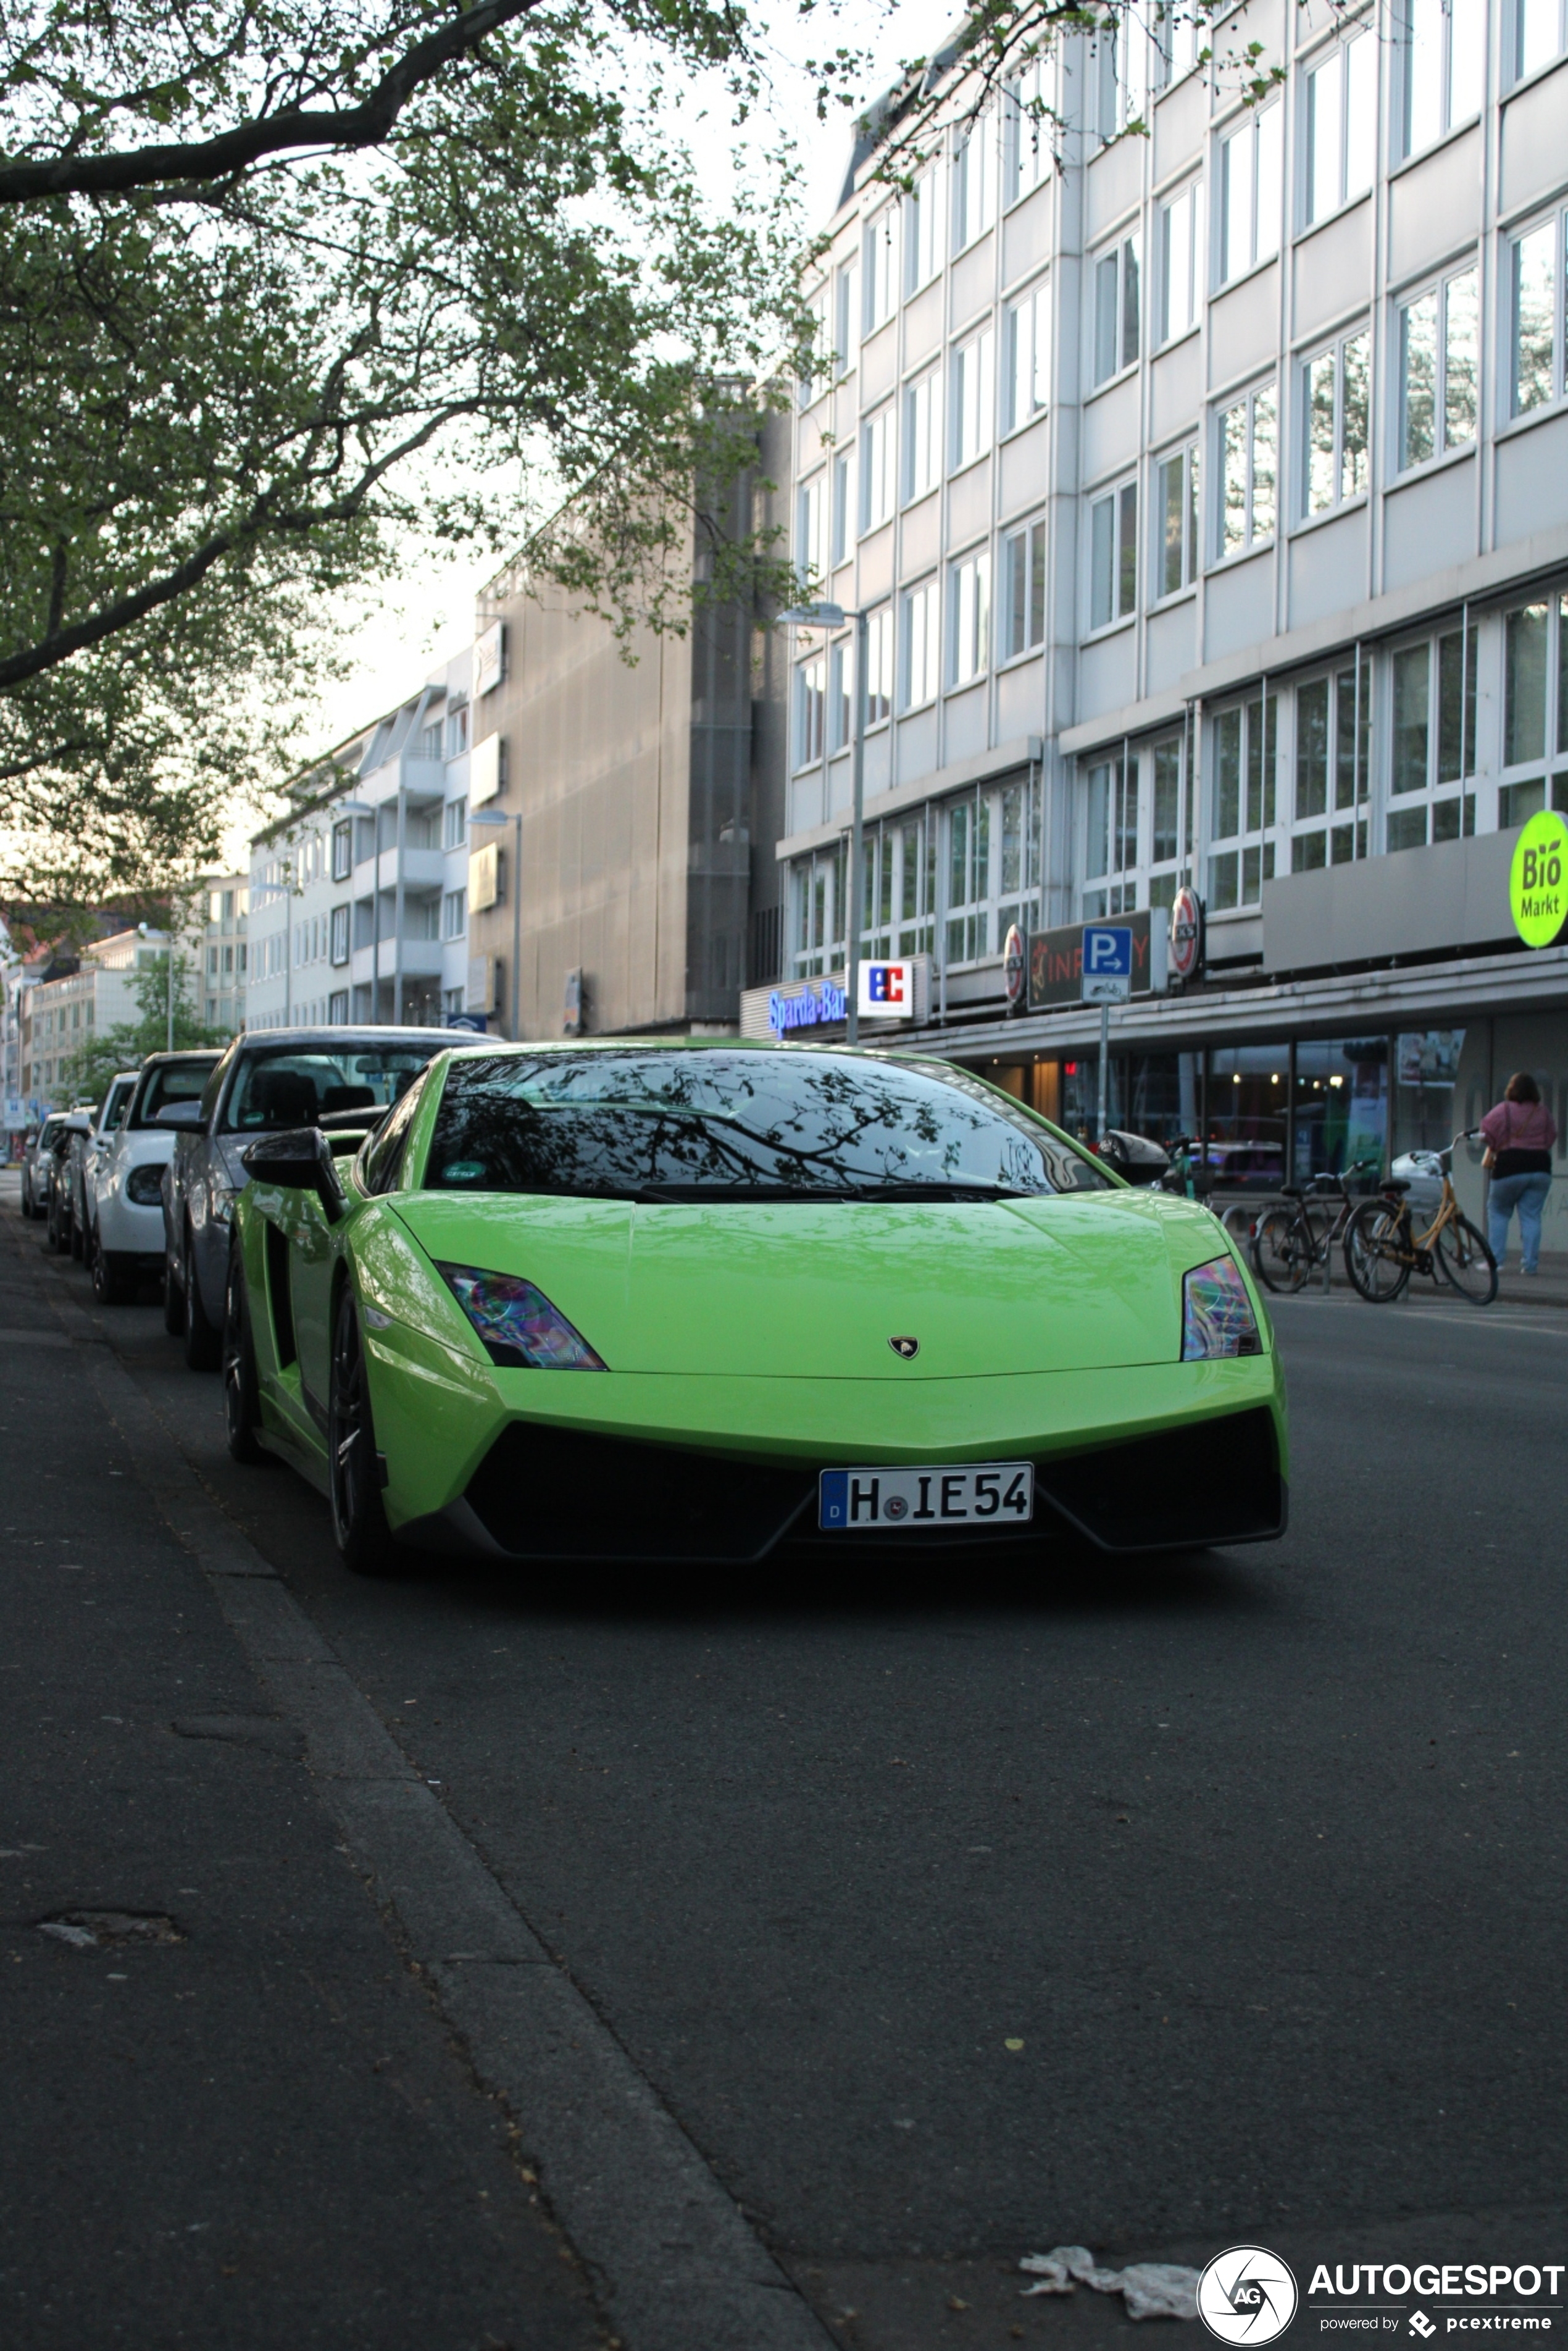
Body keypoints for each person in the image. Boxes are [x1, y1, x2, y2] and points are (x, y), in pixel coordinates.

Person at [1480, 1073, 1558, 1275]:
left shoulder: (1503, 1110)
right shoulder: (1543, 1112)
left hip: (1509, 1167)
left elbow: (1486, 1132)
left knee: (1498, 1213)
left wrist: (1498, 1144)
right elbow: (1551, 1137)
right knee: (1532, 1217)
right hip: (1540, 1168)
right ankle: (1530, 1266)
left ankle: (1495, 1262)